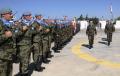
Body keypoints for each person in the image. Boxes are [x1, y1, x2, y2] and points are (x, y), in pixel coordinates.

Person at [0, 8, 17, 76]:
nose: (11, 15)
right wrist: (5, 36)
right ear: (3, 15)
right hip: (2, 57)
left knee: (9, 73)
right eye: (10, 14)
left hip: (9, 54)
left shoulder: (9, 24)